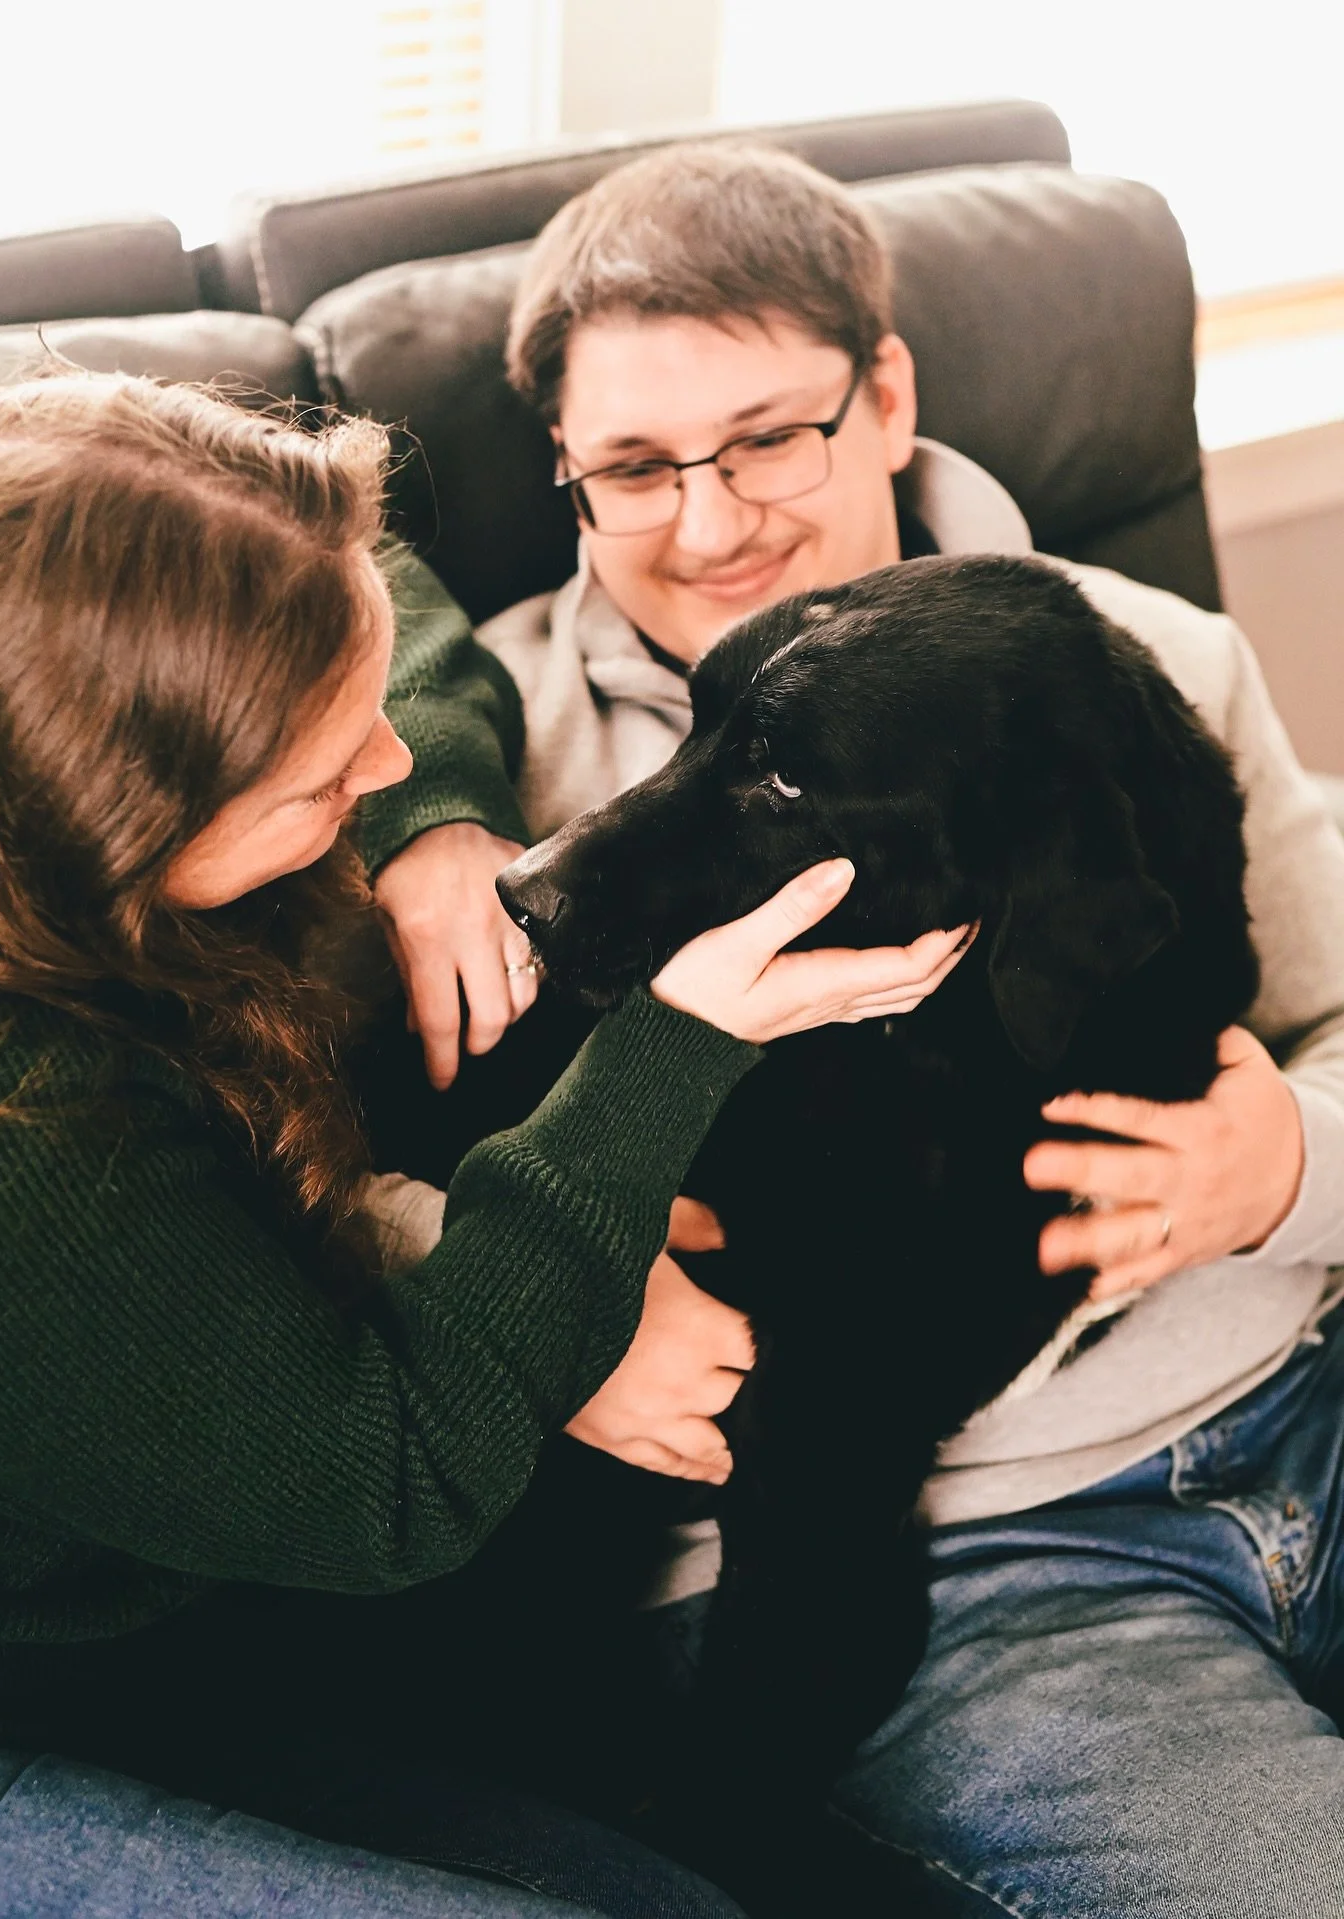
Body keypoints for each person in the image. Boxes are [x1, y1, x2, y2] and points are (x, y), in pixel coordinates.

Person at [367, 144, 1344, 1915]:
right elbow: (283, 1166)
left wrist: (1294, 1154)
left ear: (884, 397)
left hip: (1303, 1386)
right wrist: (524, 1292)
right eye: (636, 468)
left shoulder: (1150, 667)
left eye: (766, 437)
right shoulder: (464, 776)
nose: (716, 518)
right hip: (988, 1555)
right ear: (565, 479)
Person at [0, 370, 975, 1919]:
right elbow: (388, 1483)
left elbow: (357, 558)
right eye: (326, 778)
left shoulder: (15, 583)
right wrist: (675, 1045)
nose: (382, 768)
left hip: (167, 1630)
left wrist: (439, 828)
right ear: (116, 817)